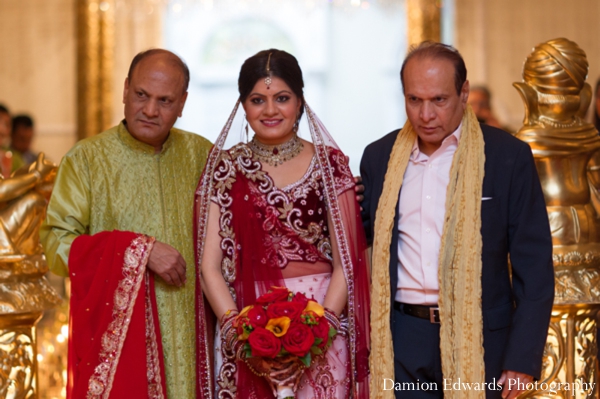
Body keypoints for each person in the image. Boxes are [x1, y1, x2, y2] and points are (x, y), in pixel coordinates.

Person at [361, 41, 554, 399]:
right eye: (414, 100)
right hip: (402, 337)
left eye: (439, 100)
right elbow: (360, 238)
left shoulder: (507, 157)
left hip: (482, 339)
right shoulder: (379, 158)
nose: (425, 114)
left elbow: (535, 267)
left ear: (464, 93)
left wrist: (522, 359)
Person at [194, 49, 370, 399]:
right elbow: (208, 267)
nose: (270, 110)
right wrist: (240, 335)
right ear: (243, 106)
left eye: (282, 98)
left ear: (301, 102)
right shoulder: (226, 169)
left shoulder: (329, 164)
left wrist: (320, 332)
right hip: (246, 326)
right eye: (258, 99)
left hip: (322, 324)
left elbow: (346, 263)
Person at [40, 49, 212, 398]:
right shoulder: (87, 160)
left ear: (183, 104)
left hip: (197, 339)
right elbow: (55, 247)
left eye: (165, 100)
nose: (150, 110)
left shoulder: (203, 156)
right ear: (124, 89)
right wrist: (137, 251)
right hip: (119, 349)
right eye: (141, 95)